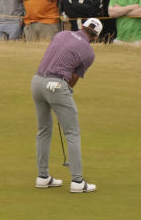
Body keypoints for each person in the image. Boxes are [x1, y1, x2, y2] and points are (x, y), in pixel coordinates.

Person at [30, 17, 102, 193]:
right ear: (95, 37)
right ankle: (77, 181)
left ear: (82, 26)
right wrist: (64, 93)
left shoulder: (62, 34)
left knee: (44, 130)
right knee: (72, 132)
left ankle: (42, 177)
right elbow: (73, 79)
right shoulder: (89, 53)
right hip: (56, 85)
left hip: (37, 82)